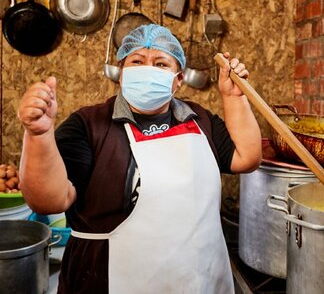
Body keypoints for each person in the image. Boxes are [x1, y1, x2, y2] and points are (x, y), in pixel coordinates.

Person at [18, 24, 262, 294]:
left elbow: (246, 157)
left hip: (200, 279)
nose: (148, 69)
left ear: (178, 79)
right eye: (137, 61)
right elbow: (49, 200)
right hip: (107, 280)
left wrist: (234, 96)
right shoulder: (89, 125)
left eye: (160, 63)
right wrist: (39, 135)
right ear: (122, 73)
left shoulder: (199, 119)